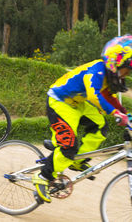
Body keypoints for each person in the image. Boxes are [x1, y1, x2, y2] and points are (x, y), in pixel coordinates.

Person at [33, 34, 132, 203]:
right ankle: (43, 175)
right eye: (126, 69)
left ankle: (78, 161)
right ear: (114, 62)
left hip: (77, 104)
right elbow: (94, 95)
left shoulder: (108, 77)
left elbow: (109, 97)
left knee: (100, 126)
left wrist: (124, 113)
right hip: (60, 101)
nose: (126, 74)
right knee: (68, 145)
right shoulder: (97, 70)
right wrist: (116, 114)